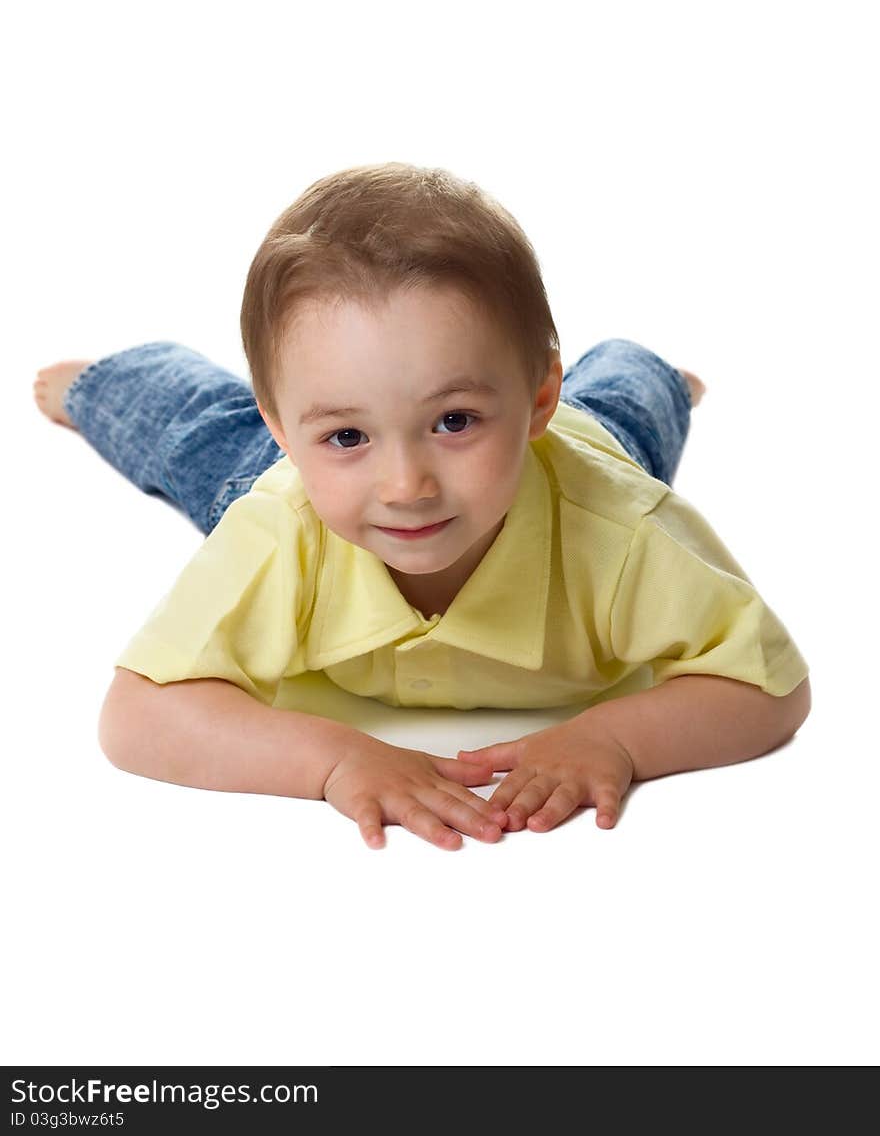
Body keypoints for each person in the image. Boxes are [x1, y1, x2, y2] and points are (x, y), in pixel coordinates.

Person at [33, 162, 811, 850]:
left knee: (630, 408)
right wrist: (335, 759)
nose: (406, 485)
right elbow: (135, 715)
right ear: (287, 432)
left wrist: (614, 737)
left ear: (539, 398)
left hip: (583, 447)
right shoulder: (281, 524)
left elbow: (770, 685)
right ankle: (106, 382)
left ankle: (651, 374)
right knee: (195, 432)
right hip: (280, 462)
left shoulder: (620, 531)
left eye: (454, 421)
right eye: (346, 434)